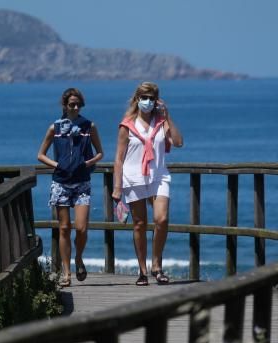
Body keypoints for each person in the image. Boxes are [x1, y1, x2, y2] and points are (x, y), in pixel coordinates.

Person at [112, 81, 184, 285]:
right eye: (144, 97)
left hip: (159, 176)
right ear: (137, 99)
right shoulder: (127, 125)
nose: (148, 101)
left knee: (161, 219)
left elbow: (178, 142)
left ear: (157, 100)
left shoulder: (161, 122)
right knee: (139, 224)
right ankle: (142, 271)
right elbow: (119, 158)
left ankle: (157, 266)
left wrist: (167, 115)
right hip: (133, 177)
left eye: (152, 98)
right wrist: (117, 187)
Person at [36, 87, 104, 287]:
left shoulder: (88, 126)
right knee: (64, 228)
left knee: (81, 228)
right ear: (65, 105)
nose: (75, 108)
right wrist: (58, 165)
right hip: (61, 183)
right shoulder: (54, 128)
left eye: (78, 104)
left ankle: (79, 257)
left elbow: (100, 153)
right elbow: (40, 155)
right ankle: (66, 272)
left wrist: (86, 163)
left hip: (82, 182)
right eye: (72, 104)